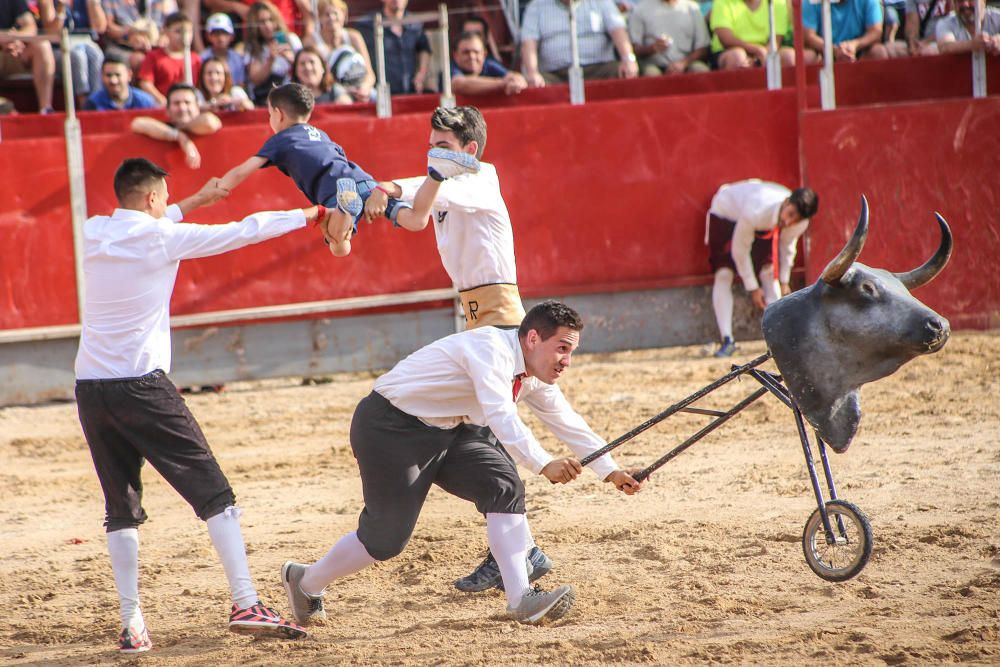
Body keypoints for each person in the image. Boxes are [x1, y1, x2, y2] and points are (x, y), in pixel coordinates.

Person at [74, 157, 319, 653]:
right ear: (152, 199)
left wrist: (193, 202)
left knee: (120, 508)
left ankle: (132, 623)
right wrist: (310, 215)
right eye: (165, 194)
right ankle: (245, 600)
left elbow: (150, 226)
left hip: (90, 387)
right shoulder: (162, 239)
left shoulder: (94, 230)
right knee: (216, 497)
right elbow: (244, 231)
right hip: (141, 386)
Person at [279, 300, 646, 628]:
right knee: (386, 540)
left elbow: (565, 419)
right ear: (533, 339)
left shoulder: (533, 372)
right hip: (390, 427)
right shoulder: (491, 350)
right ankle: (306, 581)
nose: (567, 361)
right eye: (562, 349)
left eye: (571, 352)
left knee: (503, 486)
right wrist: (543, 463)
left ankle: (521, 599)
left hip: (451, 428)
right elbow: (501, 416)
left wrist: (609, 470)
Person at [387, 106, 556, 593]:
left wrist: (387, 187)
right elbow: (415, 215)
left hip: (501, 321)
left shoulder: (480, 179)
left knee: (487, 438)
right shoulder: (446, 187)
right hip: (482, 319)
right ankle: (522, 551)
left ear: (470, 151)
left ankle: (521, 553)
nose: (434, 153)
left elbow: (414, 193)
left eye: (444, 146)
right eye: (431, 144)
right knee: (487, 438)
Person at [217, 83, 480, 258]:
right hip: (364, 180)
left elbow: (243, 170)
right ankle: (435, 173)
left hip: (333, 191)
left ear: (278, 113)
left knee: (339, 247)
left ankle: (345, 209)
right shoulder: (319, 133)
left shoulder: (280, 139)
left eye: (269, 115)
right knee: (416, 221)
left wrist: (222, 186)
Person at [705, 179, 818, 357]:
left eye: (795, 219)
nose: (788, 222)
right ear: (786, 202)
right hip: (725, 213)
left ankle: (780, 340)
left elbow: (788, 246)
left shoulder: (799, 221)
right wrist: (753, 288)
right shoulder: (757, 210)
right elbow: (739, 250)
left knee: (767, 269)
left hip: (757, 220)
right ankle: (727, 340)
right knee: (724, 274)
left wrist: (784, 280)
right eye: (790, 214)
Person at [520, 0, 638, 86]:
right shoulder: (536, 6)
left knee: (624, 72)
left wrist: (628, 59)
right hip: (555, 75)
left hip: (599, 69)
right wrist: (532, 72)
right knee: (532, 84)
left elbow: (618, 31)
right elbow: (528, 43)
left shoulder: (602, 2)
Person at [131, 83, 222, 169]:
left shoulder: (206, 119)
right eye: (176, 103)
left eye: (187, 102)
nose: (182, 108)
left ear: (197, 107)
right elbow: (137, 123)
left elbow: (210, 123)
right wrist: (179, 136)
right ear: (167, 110)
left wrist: (182, 129)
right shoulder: (164, 127)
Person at [304, 0, 375, 103]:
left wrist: (365, 87)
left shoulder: (354, 37)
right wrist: (346, 89)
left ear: (344, 15)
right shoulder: (311, 41)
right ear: (319, 18)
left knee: (377, 98)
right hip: (329, 90)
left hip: (358, 86)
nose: (332, 18)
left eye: (335, 13)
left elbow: (370, 74)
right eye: (326, 14)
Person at [356, 0, 432, 95]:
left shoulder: (415, 23)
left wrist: (421, 74)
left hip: (410, 91)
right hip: (379, 94)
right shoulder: (367, 24)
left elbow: (424, 48)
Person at [39, 0, 104, 108]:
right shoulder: (47, 2)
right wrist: (61, 9)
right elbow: (52, 34)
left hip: (85, 43)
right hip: (58, 50)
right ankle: (84, 104)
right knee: (77, 56)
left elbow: (100, 28)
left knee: (96, 54)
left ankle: (96, 101)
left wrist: (94, 4)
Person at [709, 0, 807, 69]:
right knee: (737, 56)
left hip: (765, 51)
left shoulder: (777, 2)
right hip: (728, 51)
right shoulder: (722, 2)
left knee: (789, 56)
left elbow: (776, 40)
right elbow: (726, 39)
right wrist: (757, 50)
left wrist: (761, 57)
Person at [0, 0, 56, 113]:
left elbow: (30, 26)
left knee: (42, 45)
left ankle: (45, 109)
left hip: (12, 52)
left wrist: (15, 37)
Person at [628, 0, 710, 75]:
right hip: (654, 64)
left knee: (700, 71)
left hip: (687, 62)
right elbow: (634, 47)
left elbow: (703, 47)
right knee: (651, 74)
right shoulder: (640, 9)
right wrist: (652, 48)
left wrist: (683, 63)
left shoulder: (692, 8)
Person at [243, 0, 302, 106]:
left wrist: (291, 59)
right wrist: (270, 60)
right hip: (265, 97)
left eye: (271, 20)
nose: (268, 25)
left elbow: (303, 68)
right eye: (262, 22)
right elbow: (255, 79)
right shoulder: (253, 47)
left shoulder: (292, 39)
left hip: (291, 93)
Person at [137, 11, 202, 106]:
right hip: (163, 106)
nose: (184, 36)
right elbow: (145, 83)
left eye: (188, 31)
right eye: (178, 32)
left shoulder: (196, 59)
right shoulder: (154, 56)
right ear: (166, 31)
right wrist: (163, 100)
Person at [802, 0, 889, 61]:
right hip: (823, 54)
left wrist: (855, 45)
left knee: (878, 51)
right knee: (807, 57)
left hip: (859, 52)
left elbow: (876, 31)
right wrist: (833, 50)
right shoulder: (810, 1)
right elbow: (808, 36)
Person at [450, 31, 527, 96]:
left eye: (476, 52)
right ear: (455, 55)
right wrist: (502, 83)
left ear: (484, 54)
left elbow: (514, 76)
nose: (472, 56)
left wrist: (517, 81)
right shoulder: (450, 68)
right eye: (466, 52)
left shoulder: (489, 65)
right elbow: (459, 84)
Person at [85, 55, 158, 110]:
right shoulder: (93, 103)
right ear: (102, 76)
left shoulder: (145, 102)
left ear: (129, 75)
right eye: (108, 75)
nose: (113, 80)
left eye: (118, 75)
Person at [935, 0, 1000, 54]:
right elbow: (945, 47)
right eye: (959, 1)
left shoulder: (997, 17)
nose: (965, 4)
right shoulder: (946, 23)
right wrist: (972, 44)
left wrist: (997, 41)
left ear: (983, 1)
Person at [200, 12, 246, 86]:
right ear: (208, 36)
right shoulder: (202, 58)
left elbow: (241, 84)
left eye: (224, 33)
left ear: (232, 36)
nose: (220, 38)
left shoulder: (237, 58)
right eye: (216, 33)